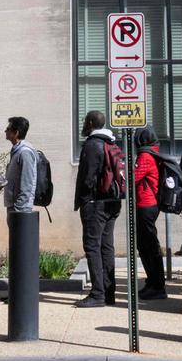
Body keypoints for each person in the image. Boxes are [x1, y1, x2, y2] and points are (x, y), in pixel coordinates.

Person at [74, 110, 122, 308]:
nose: (84, 124)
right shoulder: (111, 142)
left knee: (92, 246)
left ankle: (98, 294)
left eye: (86, 121)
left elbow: (88, 177)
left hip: (96, 203)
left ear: (92, 122)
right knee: (106, 246)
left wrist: (85, 200)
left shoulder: (93, 145)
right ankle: (108, 292)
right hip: (113, 201)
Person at [131, 128, 167, 300]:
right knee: (145, 245)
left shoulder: (145, 156)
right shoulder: (153, 152)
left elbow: (133, 178)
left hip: (146, 204)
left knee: (149, 245)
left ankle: (157, 285)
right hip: (149, 204)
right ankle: (153, 282)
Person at [4, 116, 40, 212]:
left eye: (8, 129)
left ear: (16, 133)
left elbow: (27, 183)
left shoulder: (25, 153)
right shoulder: (17, 151)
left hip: (20, 208)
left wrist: (19, 207)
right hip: (14, 206)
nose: (5, 131)